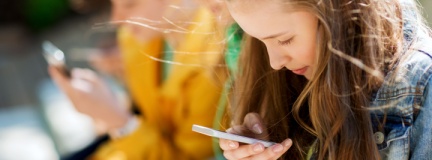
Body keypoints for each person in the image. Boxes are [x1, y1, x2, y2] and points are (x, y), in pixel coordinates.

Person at [217, 0, 432, 159]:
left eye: (285, 40)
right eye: (261, 43)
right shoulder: (285, 79)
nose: (275, 63)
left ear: (338, 12)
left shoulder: (422, 86)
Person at [50, 0, 228, 159]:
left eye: (129, 4)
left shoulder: (214, 65)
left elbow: (191, 156)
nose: (116, 19)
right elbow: (148, 111)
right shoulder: (139, 37)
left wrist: (118, 121)